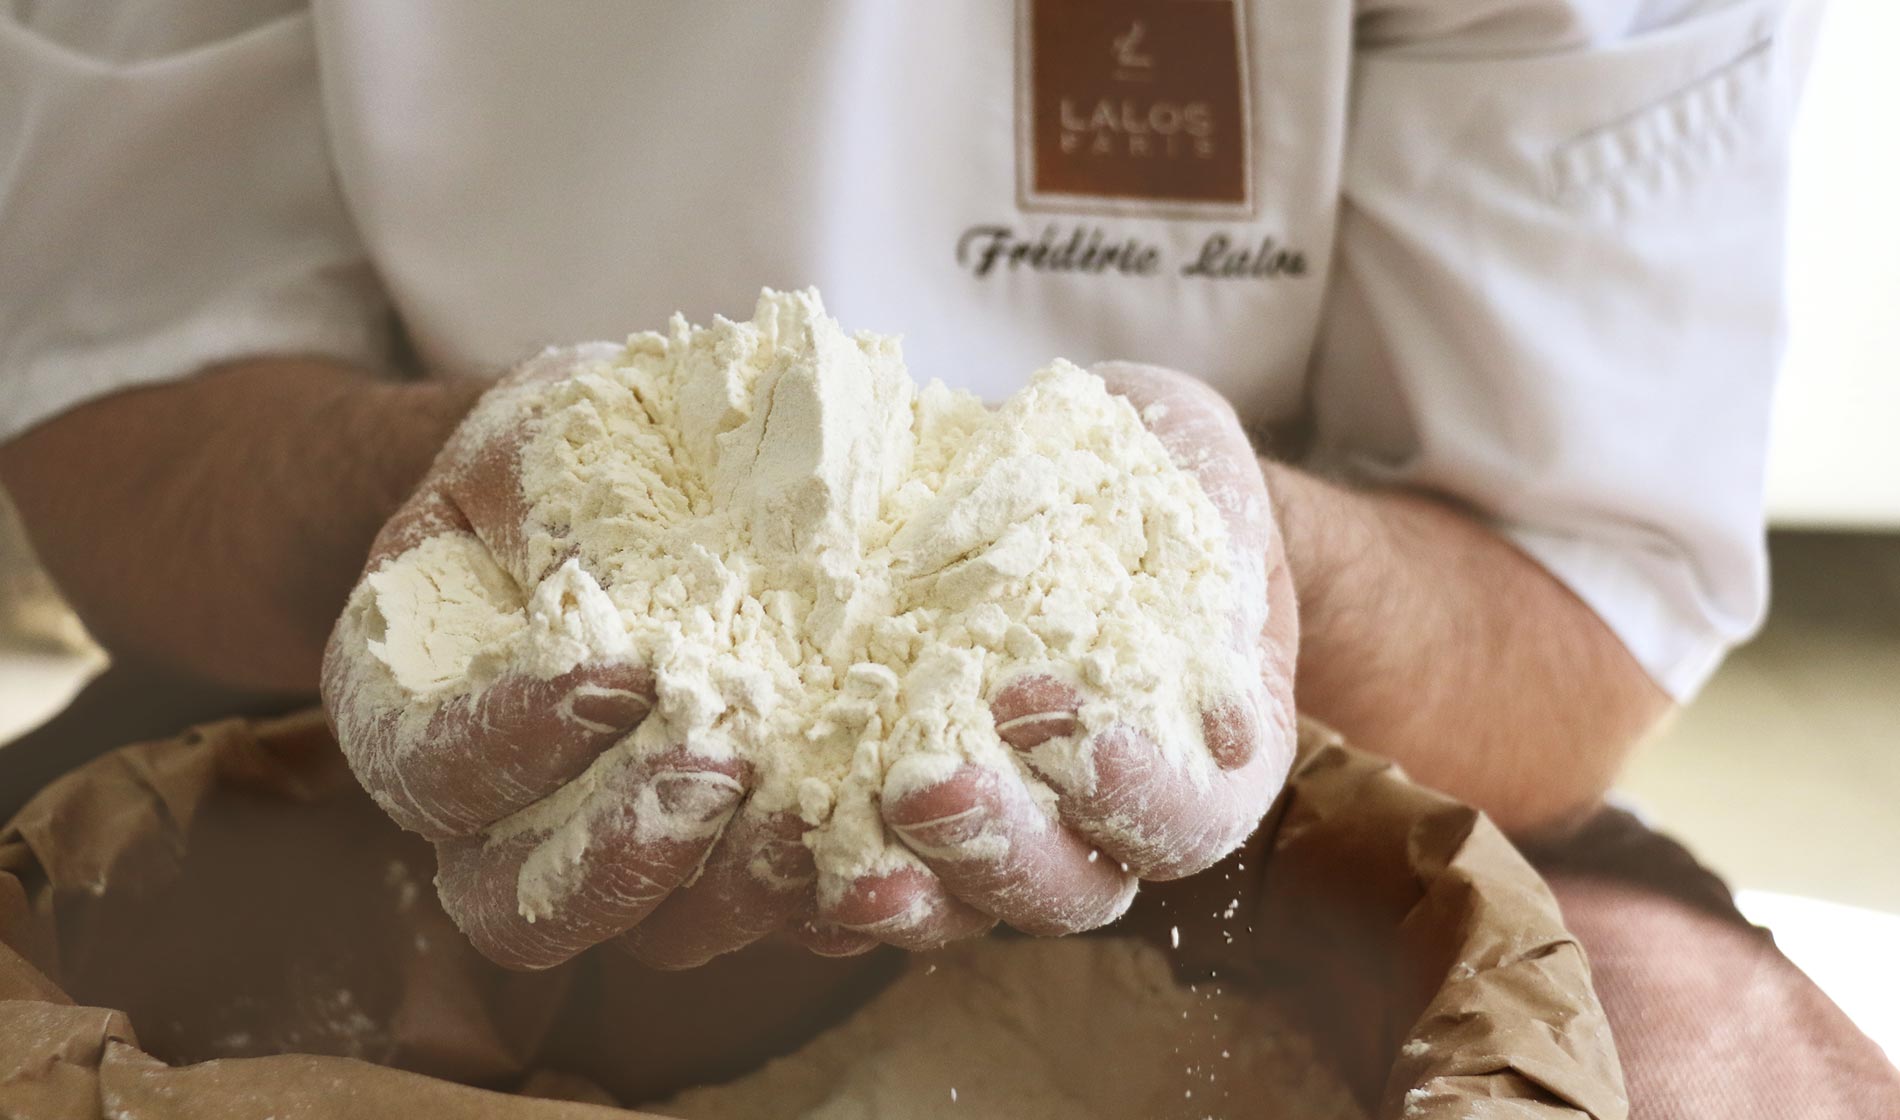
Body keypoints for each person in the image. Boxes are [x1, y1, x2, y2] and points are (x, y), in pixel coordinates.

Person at [10, 3, 1878, 1112]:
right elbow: (120, 390)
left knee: (1709, 1067)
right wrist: (456, 556)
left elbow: (1567, 577)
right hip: (363, 689)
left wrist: (1239, 583)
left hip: (1296, 741)